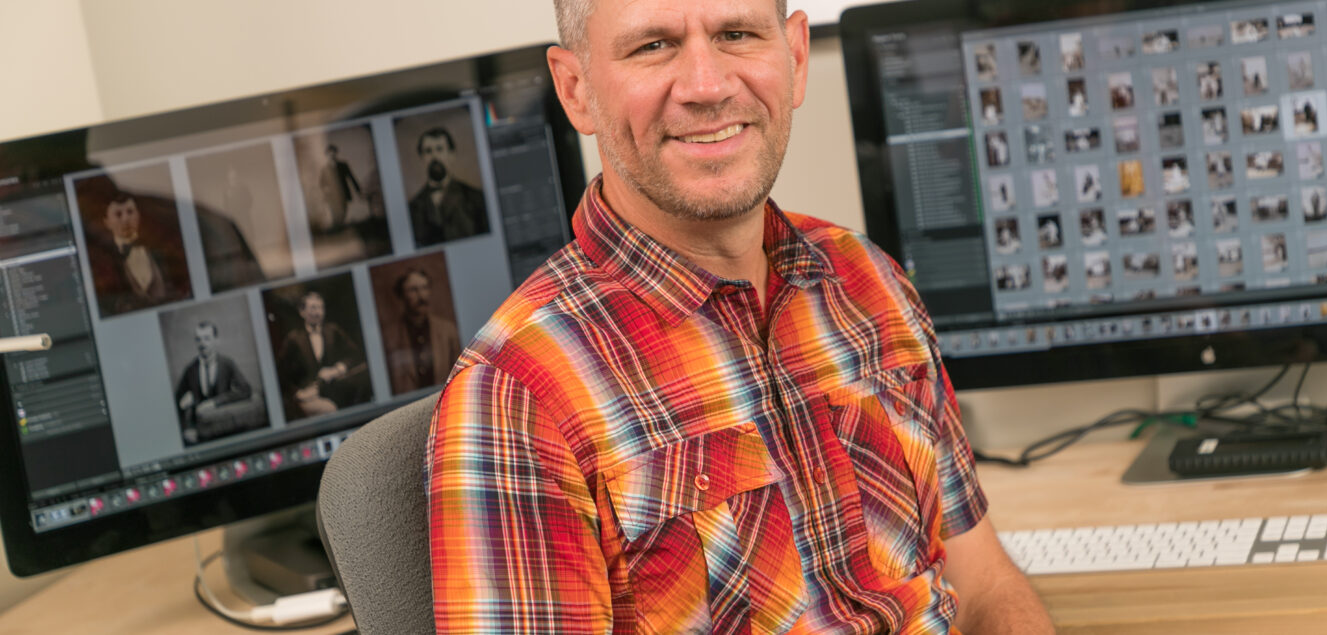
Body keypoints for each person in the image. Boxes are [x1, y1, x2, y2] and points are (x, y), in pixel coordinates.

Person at [424, 1, 1053, 633]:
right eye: (653, 46)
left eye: (737, 33)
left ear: (796, 56)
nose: (707, 85)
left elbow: (982, 586)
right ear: (576, 89)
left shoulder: (871, 282)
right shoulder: (516, 396)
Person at [90, 191, 188, 315]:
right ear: (107, 222)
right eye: (118, 214)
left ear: (139, 215)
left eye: (130, 212)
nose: (126, 219)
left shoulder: (160, 250)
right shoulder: (105, 260)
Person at [276, 291, 368, 418]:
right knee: (329, 410)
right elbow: (281, 372)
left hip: (337, 389)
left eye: (321, 308)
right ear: (302, 312)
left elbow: (356, 354)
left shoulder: (333, 331)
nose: (318, 312)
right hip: (309, 396)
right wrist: (297, 393)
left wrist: (337, 369)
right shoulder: (294, 339)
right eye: (313, 308)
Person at [382, 268, 462, 394]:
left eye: (424, 288)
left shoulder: (448, 330)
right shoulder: (389, 337)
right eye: (413, 290)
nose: (421, 296)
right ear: (402, 295)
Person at [407, 127, 490, 246]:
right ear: (422, 158)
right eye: (428, 151)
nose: (434, 156)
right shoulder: (412, 207)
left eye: (440, 149)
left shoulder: (476, 198)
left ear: (452, 154)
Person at [175, 321, 253, 445]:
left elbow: (246, 390)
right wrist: (186, 429)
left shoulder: (227, 364)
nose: (202, 344)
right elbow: (176, 403)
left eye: (207, 338)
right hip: (201, 434)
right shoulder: (190, 369)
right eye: (198, 339)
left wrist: (214, 402)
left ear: (216, 340)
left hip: (226, 427)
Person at [318, 145, 361, 229]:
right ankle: (337, 226)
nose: (332, 155)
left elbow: (351, 178)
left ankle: (338, 226)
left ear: (336, 153)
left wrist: (358, 190)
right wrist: (325, 190)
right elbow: (322, 183)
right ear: (327, 155)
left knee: (343, 210)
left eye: (333, 152)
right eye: (329, 153)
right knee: (335, 211)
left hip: (343, 192)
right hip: (332, 195)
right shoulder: (325, 169)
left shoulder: (343, 165)